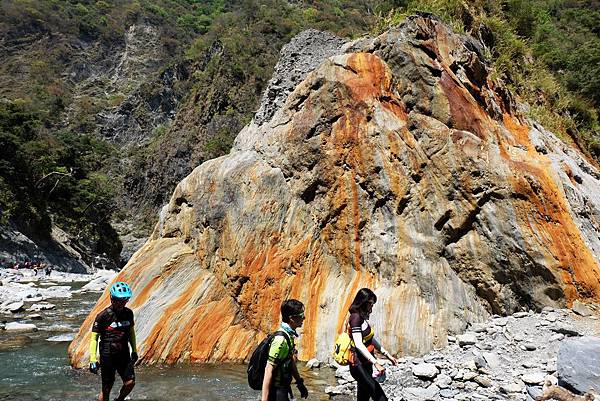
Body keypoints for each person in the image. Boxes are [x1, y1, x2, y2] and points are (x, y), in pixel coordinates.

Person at [89, 282, 138, 401]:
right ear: (112, 298)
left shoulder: (128, 313)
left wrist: (134, 351)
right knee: (106, 389)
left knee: (130, 382)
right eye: (118, 300)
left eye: (125, 300)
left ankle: (119, 399)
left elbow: (131, 333)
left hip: (124, 353)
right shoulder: (103, 316)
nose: (121, 303)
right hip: (107, 355)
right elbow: (94, 338)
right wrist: (93, 359)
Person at [347, 288, 397, 401]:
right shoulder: (355, 318)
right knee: (380, 398)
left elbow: (370, 339)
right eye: (371, 304)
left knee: (363, 398)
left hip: (366, 364)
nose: (371, 307)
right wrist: (376, 363)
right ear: (363, 302)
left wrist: (387, 354)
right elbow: (359, 344)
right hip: (358, 365)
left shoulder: (362, 318)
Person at [261, 299, 309, 401]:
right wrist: (264, 399)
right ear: (291, 318)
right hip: (277, 391)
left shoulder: (288, 335)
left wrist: (300, 383)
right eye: (301, 315)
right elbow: (268, 370)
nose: (304, 318)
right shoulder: (281, 340)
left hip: (284, 387)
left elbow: (290, 360)